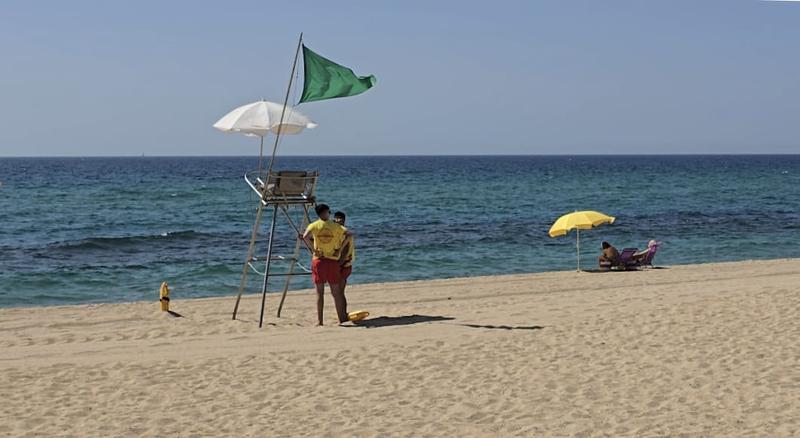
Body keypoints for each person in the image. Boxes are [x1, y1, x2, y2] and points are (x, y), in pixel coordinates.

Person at [303, 204, 352, 325]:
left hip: (318, 260)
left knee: (319, 293)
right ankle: (341, 319)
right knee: (336, 293)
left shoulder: (314, 225)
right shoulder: (335, 226)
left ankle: (320, 321)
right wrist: (340, 249)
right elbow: (349, 234)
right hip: (331, 260)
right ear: (326, 212)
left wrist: (314, 250)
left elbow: (305, 237)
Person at [333, 211, 355, 295]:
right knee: (340, 292)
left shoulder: (343, 232)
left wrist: (338, 264)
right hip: (346, 264)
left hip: (343, 264)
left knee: (339, 292)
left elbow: (345, 250)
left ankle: (341, 307)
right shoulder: (341, 231)